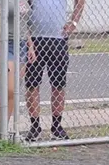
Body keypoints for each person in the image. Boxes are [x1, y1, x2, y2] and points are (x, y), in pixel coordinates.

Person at [24, 0, 86, 141]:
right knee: (32, 84)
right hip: (34, 40)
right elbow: (22, 9)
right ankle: (35, 127)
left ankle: (56, 126)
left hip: (58, 39)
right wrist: (27, 38)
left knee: (58, 84)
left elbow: (80, 2)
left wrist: (73, 23)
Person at [0, 0, 36, 137]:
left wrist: (30, 46)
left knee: (14, 89)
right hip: (4, 43)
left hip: (21, 46)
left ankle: (3, 129)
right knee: (7, 88)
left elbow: (24, 24)